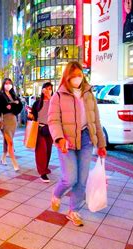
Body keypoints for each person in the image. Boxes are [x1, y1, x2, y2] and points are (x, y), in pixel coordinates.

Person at [48, 61, 107, 226]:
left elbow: (96, 120)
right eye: (73, 76)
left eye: (79, 76)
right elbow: (53, 120)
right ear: (67, 77)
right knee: (69, 179)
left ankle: (73, 211)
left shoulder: (89, 94)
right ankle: (57, 194)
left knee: (82, 180)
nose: (77, 79)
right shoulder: (58, 96)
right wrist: (59, 138)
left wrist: (101, 145)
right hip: (67, 141)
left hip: (87, 139)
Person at [0, 78, 23, 171]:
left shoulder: (14, 95)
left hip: (13, 120)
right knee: (10, 142)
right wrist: (7, 107)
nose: (8, 85)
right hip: (5, 119)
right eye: (6, 83)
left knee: (7, 141)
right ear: (3, 84)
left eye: (9, 83)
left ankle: (3, 158)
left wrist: (12, 106)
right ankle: (14, 163)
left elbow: (20, 106)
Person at [29, 82, 54, 183]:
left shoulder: (54, 102)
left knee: (48, 150)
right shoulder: (37, 103)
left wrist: (50, 97)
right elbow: (33, 115)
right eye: (46, 88)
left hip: (51, 129)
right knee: (41, 150)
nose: (48, 90)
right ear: (42, 90)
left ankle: (45, 168)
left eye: (50, 89)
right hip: (40, 129)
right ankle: (42, 172)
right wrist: (30, 115)